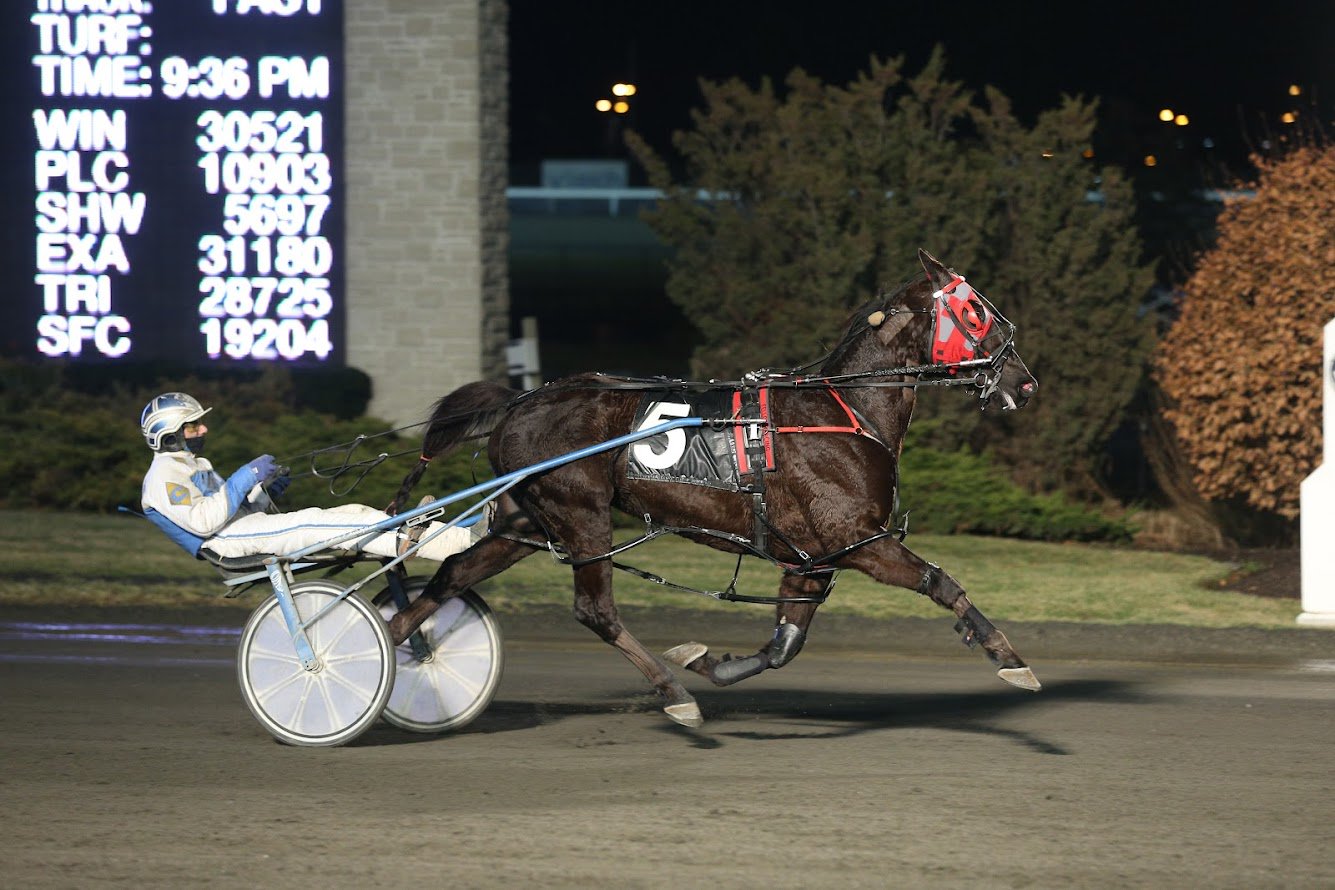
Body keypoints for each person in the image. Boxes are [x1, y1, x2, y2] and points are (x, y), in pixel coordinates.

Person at [139, 392, 476, 563]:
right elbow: (203, 522)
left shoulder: (194, 463)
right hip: (225, 543)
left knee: (354, 512)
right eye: (193, 425)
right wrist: (243, 477)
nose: (203, 429)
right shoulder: (162, 478)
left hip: (241, 530)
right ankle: (433, 545)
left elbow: (235, 509)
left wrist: (264, 492)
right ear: (170, 434)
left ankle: (459, 538)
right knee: (313, 523)